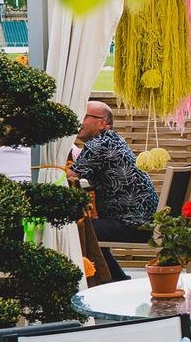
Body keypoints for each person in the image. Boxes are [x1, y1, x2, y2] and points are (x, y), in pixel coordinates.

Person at [67, 101, 157, 281]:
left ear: (102, 123)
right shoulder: (113, 140)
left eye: (84, 116)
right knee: (90, 226)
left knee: (76, 228)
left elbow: (68, 176)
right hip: (145, 221)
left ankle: (102, 282)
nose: (78, 120)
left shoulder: (98, 145)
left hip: (132, 225)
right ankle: (117, 279)